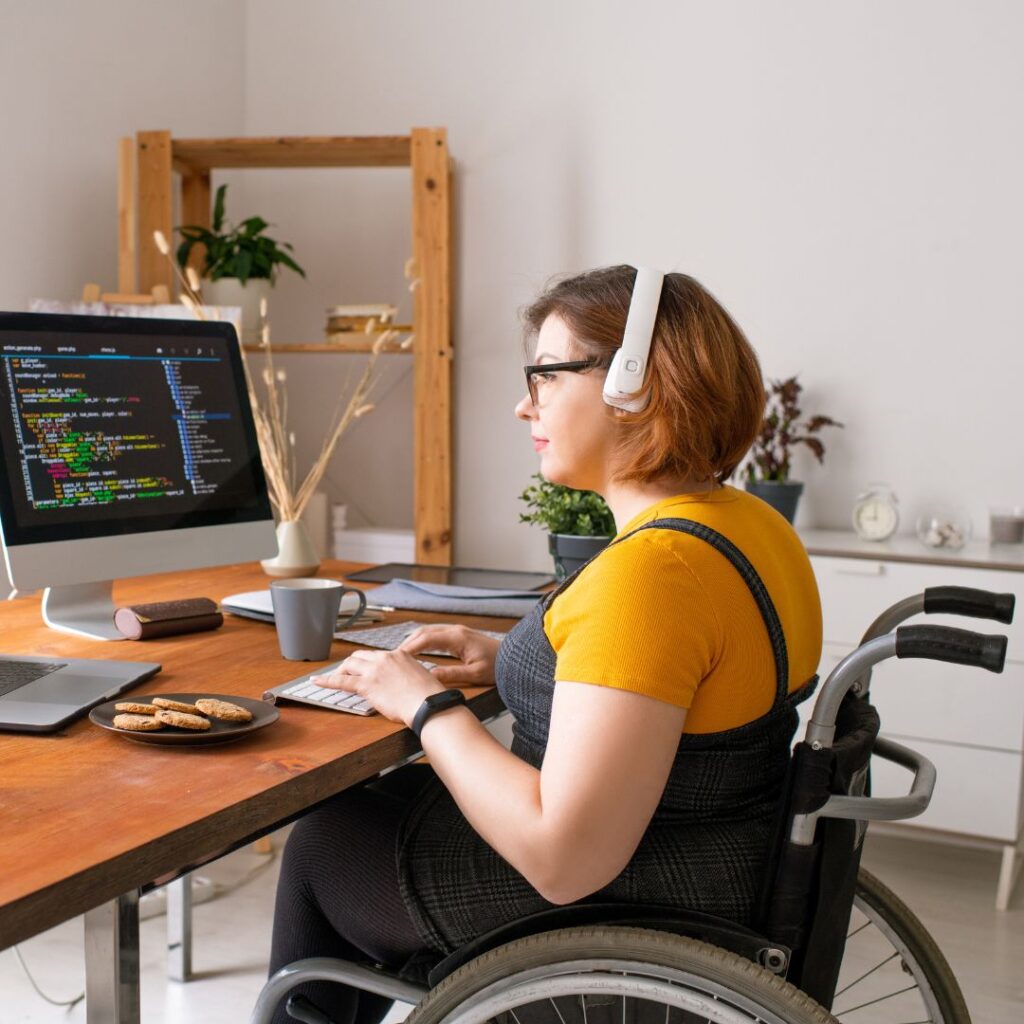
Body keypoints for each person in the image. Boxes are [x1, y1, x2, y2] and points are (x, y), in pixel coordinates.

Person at [267, 265, 823, 1024]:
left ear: (636, 383)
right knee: (370, 809)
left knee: (325, 845)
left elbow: (565, 860)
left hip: (634, 893)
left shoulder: (653, 573)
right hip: (715, 857)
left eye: (548, 376)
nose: (523, 404)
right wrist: (508, 659)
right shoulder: (748, 525)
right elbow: (680, 688)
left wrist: (426, 706)